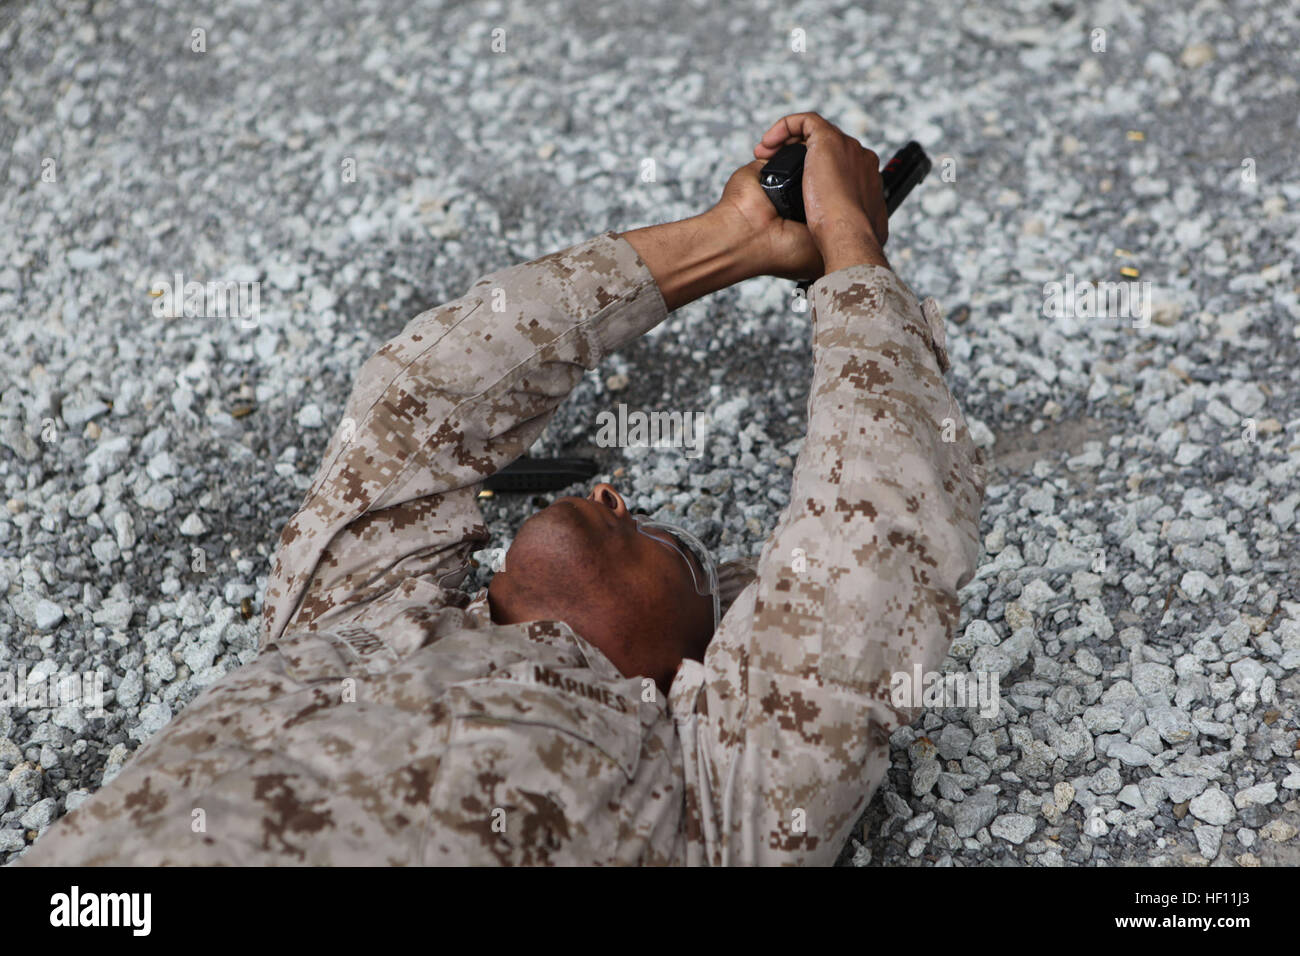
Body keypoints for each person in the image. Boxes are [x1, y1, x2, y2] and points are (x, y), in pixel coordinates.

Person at [20, 113, 985, 866]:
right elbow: (424, 394)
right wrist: (731, 238)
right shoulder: (361, 613)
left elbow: (873, 531)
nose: (612, 495)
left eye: (661, 535)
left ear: (703, 674)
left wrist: (856, 245)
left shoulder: (714, 793)